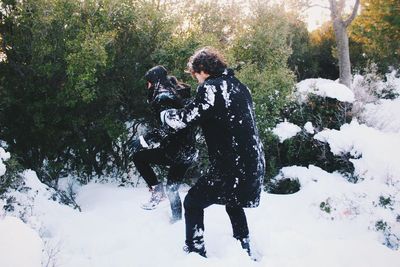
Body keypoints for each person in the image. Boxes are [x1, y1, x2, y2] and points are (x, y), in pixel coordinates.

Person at [160, 47, 265, 259]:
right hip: (253, 162)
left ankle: (196, 251)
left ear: (201, 70)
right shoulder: (240, 87)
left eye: (195, 74)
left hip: (231, 165)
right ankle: (245, 247)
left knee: (192, 202)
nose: (196, 79)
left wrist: (166, 115)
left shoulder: (211, 88)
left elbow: (186, 119)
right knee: (233, 201)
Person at [131, 65, 197, 223]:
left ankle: (156, 190)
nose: (147, 87)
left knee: (138, 157)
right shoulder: (177, 94)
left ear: (154, 82)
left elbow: (169, 127)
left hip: (175, 151)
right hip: (188, 151)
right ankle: (176, 221)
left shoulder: (163, 98)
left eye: (148, 83)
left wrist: (144, 140)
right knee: (172, 188)